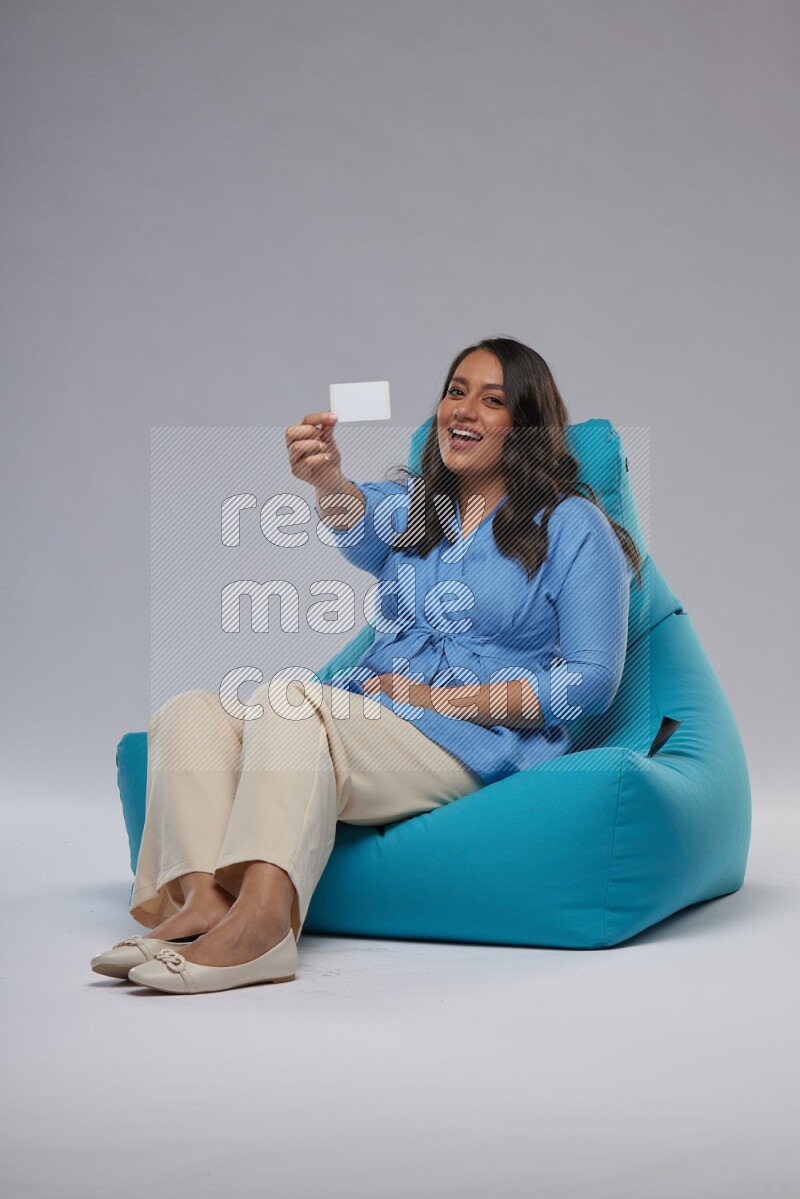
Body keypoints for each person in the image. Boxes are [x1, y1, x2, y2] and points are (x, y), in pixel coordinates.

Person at [90, 337, 642, 994]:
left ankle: (262, 929)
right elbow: (357, 517)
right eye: (455, 390)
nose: (462, 410)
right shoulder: (419, 508)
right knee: (189, 714)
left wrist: (439, 701)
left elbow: (591, 680)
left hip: (470, 741)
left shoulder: (575, 526)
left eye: (492, 400)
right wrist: (325, 477)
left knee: (290, 698)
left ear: (523, 425)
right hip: (372, 718)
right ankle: (202, 899)